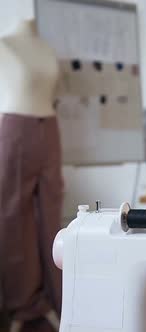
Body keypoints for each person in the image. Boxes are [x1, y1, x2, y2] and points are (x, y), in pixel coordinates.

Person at [0, 18, 62, 332]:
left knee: (53, 216)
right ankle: (24, 305)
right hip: (15, 128)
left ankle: (58, 299)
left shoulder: (46, 47)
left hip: (49, 127)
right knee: (15, 220)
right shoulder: (5, 45)